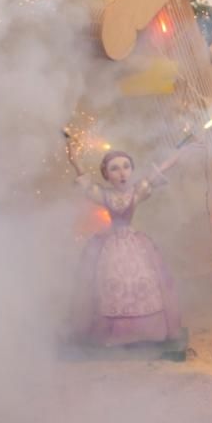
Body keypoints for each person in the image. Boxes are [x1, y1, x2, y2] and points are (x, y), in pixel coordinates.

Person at [66, 144, 184, 347]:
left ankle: (144, 331)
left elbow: (156, 176)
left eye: (126, 167)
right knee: (112, 282)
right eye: (115, 168)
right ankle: (115, 334)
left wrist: (172, 159)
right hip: (111, 245)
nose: (122, 173)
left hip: (133, 242)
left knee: (141, 281)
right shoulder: (104, 195)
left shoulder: (136, 192)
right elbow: (85, 184)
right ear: (106, 174)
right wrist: (74, 160)